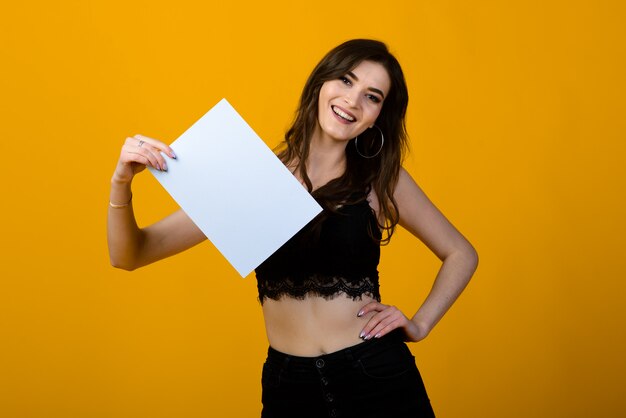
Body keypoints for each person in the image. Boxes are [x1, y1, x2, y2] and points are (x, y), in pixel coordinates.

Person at [108, 39, 478, 418]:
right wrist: (122, 182)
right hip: (291, 389)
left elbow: (461, 253)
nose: (352, 101)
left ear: (379, 116)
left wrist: (420, 324)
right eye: (346, 81)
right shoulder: (252, 176)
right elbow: (130, 254)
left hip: (377, 376)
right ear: (321, 84)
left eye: (372, 96)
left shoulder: (381, 181)